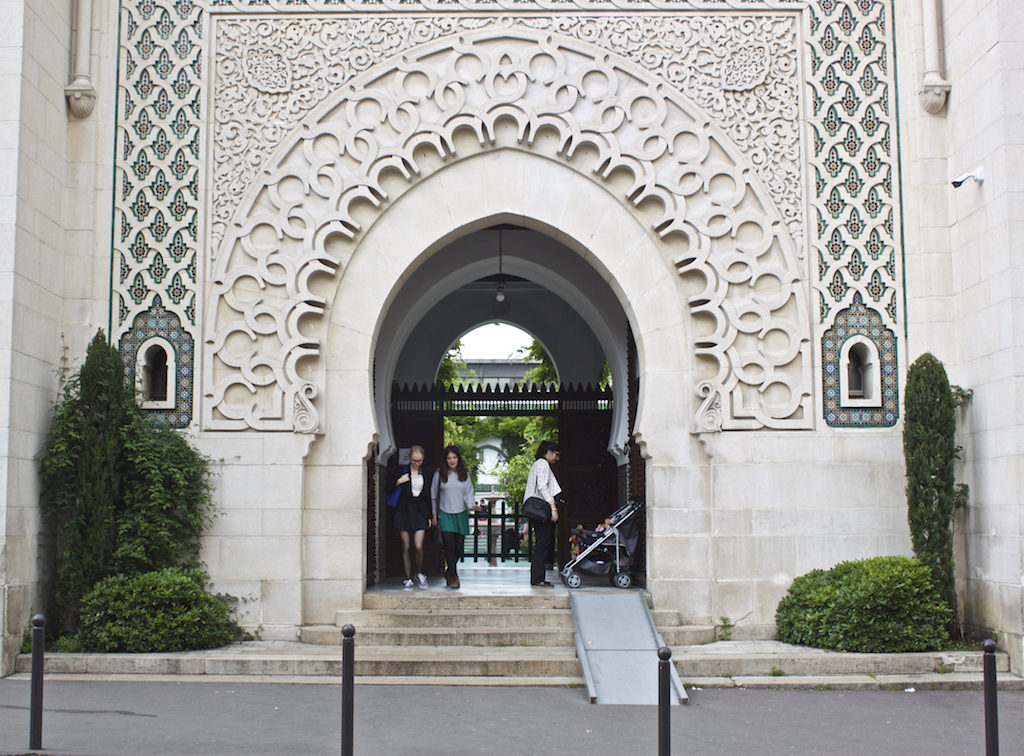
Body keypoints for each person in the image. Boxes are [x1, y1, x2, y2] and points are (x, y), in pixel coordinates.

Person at [431, 444, 478, 589]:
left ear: (458, 458)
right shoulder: (439, 474)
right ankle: (454, 577)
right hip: (444, 514)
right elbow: (433, 495)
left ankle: (449, 571)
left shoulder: (465, 474)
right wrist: (434, 514)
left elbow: (468, 493)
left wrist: (472, 505)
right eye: (449, 458)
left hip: (461, 514)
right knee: (449, 547)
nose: (452, 461)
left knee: (459, 549)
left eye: (454, 457)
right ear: (445, 460)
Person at [390, 445, 432, 590]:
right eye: (414, 460)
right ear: (410, 458)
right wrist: (398, 481)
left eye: (419, 461)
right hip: (404, 510)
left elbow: (428, 496)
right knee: (406, 546)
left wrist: (429, 516)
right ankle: (408, 578)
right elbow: (387, 489)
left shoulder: (426, 473)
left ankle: (419, 573)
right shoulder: (401, 471)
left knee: (419, 545)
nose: (416, 463)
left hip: (420, 510)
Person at [523, 440, 561, 587]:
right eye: (556, 454)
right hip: (540, 508)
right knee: (542, 543)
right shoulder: (543, 464)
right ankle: (538, 578)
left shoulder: (538, 464)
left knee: (541, 543)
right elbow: (543, 487)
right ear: (549, 452)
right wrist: (553, 507)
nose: (557, 458)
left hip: (536, 508)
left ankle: (538, 577)